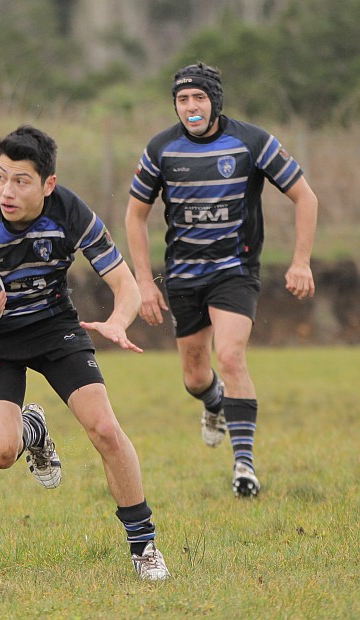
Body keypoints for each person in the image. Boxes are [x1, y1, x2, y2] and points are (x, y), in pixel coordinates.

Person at [0, 125, 170, 581]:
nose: (7, 190)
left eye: (20, 180)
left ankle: (144, 547)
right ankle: (32, 429)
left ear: (48, 184)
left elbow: (123, 282)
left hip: (53, 328)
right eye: (0, 176)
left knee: (105, 429)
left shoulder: (71, 213)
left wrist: (117, 320)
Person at [124, 62, 318, 498]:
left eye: (198, 98)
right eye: (182, 99)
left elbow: (305, 196)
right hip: (183, 274)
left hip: (235, 269)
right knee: (196, 377)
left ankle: (244, 465)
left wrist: (301, 261)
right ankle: (214, 405)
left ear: (215, 101)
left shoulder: (252, 142)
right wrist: (144, 281)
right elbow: (135, 215)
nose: (190, 107)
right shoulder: (161, 149)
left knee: (230, 357)